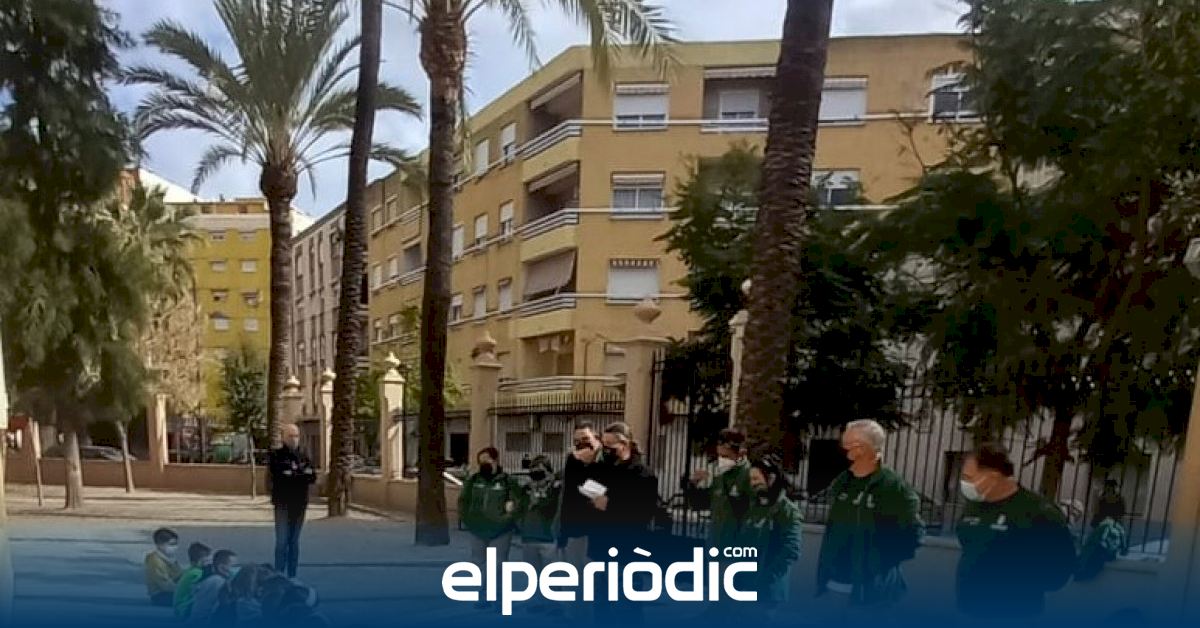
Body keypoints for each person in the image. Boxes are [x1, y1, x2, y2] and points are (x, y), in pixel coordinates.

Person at [956, 442, 1076, 619]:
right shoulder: (974, 506)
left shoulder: (1037, 511)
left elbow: (1061, 569)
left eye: (969, 477)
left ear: (993, 477)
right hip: (969, 611)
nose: (965, 483)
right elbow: (967, 542)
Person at [815, 420, 923, 618]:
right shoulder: (842, 482)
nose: (842, 449)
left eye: (847, 444)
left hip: (872, 592)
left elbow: (913, 534)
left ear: (862, 448)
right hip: (836, 582)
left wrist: (878, 565)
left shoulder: (892, 486)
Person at [589, 422, 659, 625]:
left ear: (625, 444)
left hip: (626, 551)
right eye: (604, 445)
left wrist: (609, 505)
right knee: (601, 607)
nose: (606, 450)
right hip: (601, 548)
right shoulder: (605, 470)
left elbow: (643, 513)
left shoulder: (642, 473)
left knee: (626, 607)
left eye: (610, 446)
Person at [736, 455, 803, 623]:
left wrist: (766, 578)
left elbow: (791, 550)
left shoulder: (787, 511)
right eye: (751, 479)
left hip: (766, 590)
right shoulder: (755, 506)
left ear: (771, 478)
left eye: (756, 478)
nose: (753, 483)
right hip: (744, 584)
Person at [458, 446, 519, 609]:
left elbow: (517, 503)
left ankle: (499, 599)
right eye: (481, 461)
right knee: (479, 564)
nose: (484, 464)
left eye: (487, 460)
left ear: (495, 460)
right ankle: (483, 597)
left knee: (498, 565)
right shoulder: (473, 480)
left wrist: (506, 520)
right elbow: (463, 501)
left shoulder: (507, 481)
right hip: (477, 530)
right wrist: (468, 520)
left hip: (501, 531)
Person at [690, 428, 752, 551]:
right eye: (719, 456)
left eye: (725, 456)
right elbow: (702, 504)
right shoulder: (720, 476)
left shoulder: (749, 476)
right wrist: (693, 485)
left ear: (740, 453)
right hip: (715, 546)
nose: (721, 460)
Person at [269, 423, 316, 578]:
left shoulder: (304, 456)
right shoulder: (276, 456)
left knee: (294, 542)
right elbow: (279, 476)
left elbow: (312, 476)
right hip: (282, 503)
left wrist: (294, 474)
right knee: (282, 541)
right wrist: (300, 474)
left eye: (296, 436)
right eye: (290, 436)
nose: (294, 439)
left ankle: (292, 575)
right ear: (283, 437)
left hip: (300, 504)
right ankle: (279, 573)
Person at [516, 454, 562, 615]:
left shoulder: (555, 489)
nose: (537, 475)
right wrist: (520, 524)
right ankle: (537, 602)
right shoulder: (526, 489)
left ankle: (554, 604)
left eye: (540, 471)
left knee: (552, 574)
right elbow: (519, 507)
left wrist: (544, 491)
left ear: (548, 472)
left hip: (548, 537)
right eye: (534, 471)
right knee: (533, 574)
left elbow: (553, 508)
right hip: (529, 535)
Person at [557, 422, 603, 566]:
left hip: (601, 531)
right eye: (576, 441)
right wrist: (563, 533)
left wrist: (590, 465)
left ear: (596, 438)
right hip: (576, 530)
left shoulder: (607, 459)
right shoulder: (573, 460)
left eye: (585, 439)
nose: (581, 444)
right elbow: (568, 496)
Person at [188, 549, 239, 626]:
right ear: (221, 567)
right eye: (233, 566)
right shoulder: (219, 583)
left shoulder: (210, 579)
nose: (236, 569)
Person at [144, 527, 183, 607]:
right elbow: (165, 585)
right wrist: (185, 590)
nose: (175, 547)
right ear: (160, 545)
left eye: (175, 544)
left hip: (172, 591)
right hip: (161, 595)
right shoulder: (154, 561)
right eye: (171, 544)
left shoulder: (169, 558)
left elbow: (180, 575)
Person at [173, 542, 212, 619]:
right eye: (206, 561)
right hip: (183, 609)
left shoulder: (191, 570)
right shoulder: (196, 573)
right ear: (195, 562)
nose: (209, 564)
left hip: (181, 607)